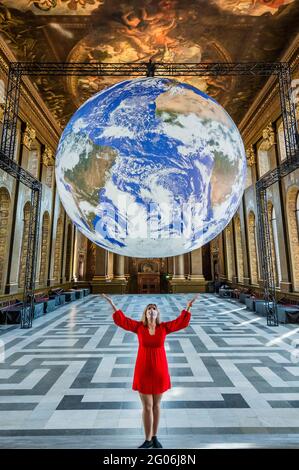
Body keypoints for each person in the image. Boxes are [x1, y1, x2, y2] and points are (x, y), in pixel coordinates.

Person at [101, 292, 200, 449]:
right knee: (147, 406)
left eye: (154, 308)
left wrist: (188, 307)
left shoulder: (164, 328)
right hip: (144, 370)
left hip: (160, 370)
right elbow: (123, 321)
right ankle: (147, 440)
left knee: (157, 406)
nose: (152, 310)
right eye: (149, 308)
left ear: (158, 313)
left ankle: (154, 437)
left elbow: (180, 323)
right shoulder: (139, 327)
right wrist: (112, 304)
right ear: (145, 313)